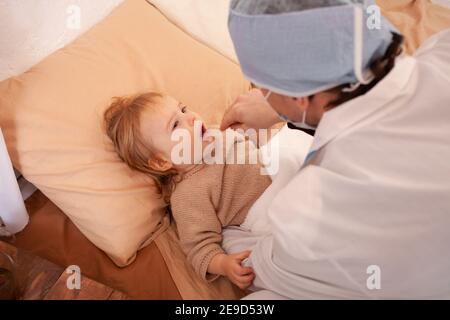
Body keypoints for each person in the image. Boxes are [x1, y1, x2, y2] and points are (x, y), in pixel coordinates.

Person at [220, 0, 450, 299]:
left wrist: (225, 237)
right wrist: (282, 109)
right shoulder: (442, 51)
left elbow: (258, 269)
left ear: (298, 97)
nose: (260, 94)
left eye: (261, 86)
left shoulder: (314, 206)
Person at [103, 92, 273, 289]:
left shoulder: (220, 132)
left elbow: (260, 141)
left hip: (283, 175)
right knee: (255, 256)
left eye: (183, 109)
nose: (191, 117)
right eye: (175, 125)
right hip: (264, 214)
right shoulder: (188, 195)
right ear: (161, 161)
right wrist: (224, 265)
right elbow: (200, 246)